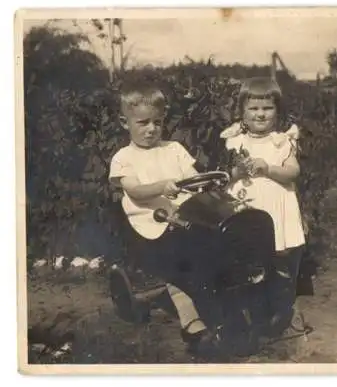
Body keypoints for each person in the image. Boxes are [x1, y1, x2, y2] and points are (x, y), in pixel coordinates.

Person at [108, 80, 218, 356]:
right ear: (125, 122)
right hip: (151, 223)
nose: (151, 129)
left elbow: (193, 178)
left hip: (184, 216)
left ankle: (227, 298)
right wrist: (162, 186)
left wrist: (202, 185)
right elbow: (134, 190)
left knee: (219, 236)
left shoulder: (174, 149)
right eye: (143, 123)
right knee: (180, 264)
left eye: (157, 122)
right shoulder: (124, 158)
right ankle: (193, 324)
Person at [220, 77, 307, 337]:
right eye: (254, 108)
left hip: (275, 204)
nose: (261, 114)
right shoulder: (234, 141)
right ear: (242, 112)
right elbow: (225, 175)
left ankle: (281, 309)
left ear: (277, 111)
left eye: (267, 108)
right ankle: (254, 311)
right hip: (248, 205)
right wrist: (237, 171)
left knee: (279, 261)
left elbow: (292, 173)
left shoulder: (282, 141)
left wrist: (268, 168)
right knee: (249, 260)